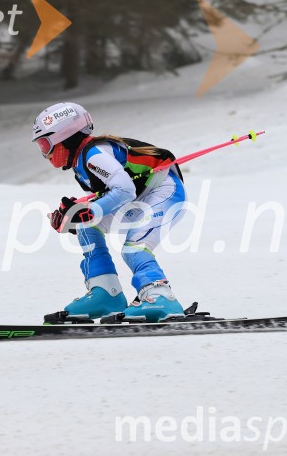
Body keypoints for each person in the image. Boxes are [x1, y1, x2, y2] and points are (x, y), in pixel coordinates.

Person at [32, 101, 188, 322]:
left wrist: (90, 210)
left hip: (165, 192)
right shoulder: (81, 162)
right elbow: (113, 194)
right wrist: (74, 215)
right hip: (140, 197)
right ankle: (106, 293)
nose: (45, 154)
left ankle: (160, 295)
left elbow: (124, 189)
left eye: (45, 145)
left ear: (64, 137)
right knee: (86, 226)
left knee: (134, 247)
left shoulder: (94, 154)